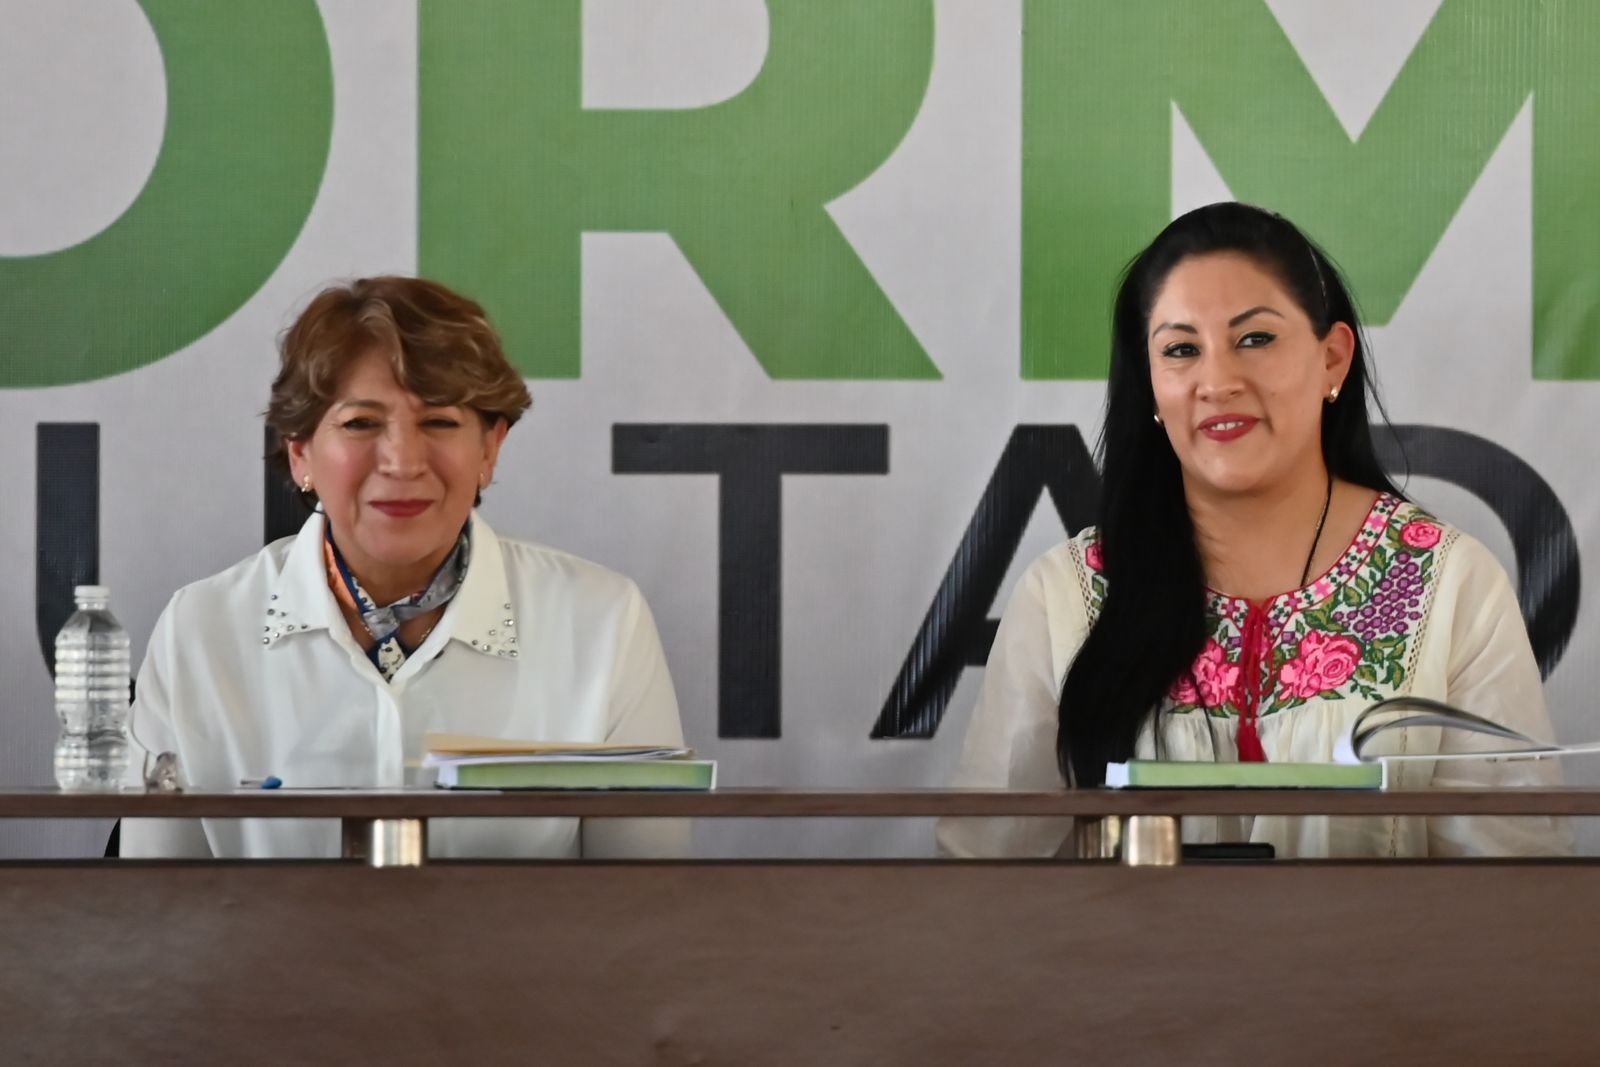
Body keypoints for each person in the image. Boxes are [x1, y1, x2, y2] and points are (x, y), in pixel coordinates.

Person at [939, 202, 1569, 859]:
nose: (1218, 382)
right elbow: (982, 871)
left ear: (1333, 359)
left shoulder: (1449, 582)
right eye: (1181, 350)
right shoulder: (1068, 594)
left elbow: (1512, 880)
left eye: (1255, 339)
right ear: (1151, 388)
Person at [122, 276, 686, 859]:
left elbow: (649, 895)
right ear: (300, 452)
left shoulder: (603, 621)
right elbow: (153, 899)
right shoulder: (201, 627)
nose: (402, 461)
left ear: (489, 449)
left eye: (439, 422)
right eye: (361, 423)